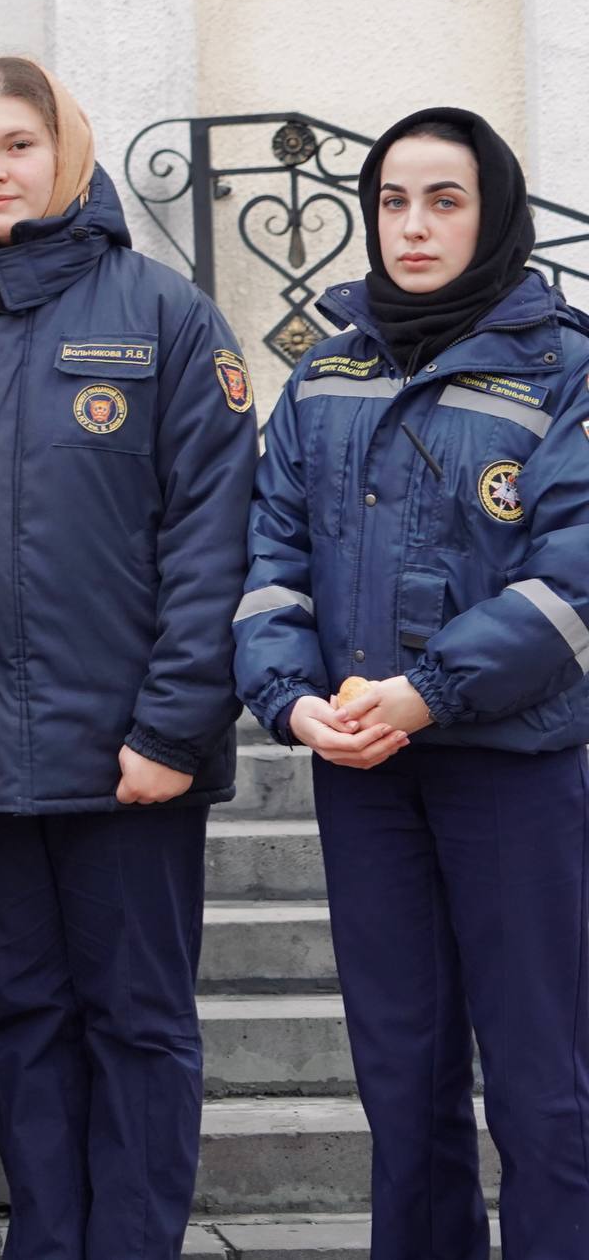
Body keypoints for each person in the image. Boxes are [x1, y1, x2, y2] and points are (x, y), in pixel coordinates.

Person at [0, 59, 255, 1260]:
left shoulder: (165, 315)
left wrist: (171, 728)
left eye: (16, 144)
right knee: (20, 1021)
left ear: (67, 153)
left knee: (138, 1021)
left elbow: (213, 539)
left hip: (126, 763)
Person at [236, 107, 589, 1260]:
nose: (413, 225)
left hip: (512, 775)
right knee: (402, 1076)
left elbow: (573, 575)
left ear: (495, 213)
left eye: (444, 200)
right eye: (392, 200)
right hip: (365, 771)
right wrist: (290, 698)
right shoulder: (323, 369)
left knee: (543, 1086)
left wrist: (430, 687)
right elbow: (269, 556)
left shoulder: (567, 367)